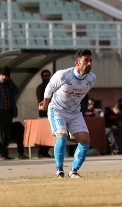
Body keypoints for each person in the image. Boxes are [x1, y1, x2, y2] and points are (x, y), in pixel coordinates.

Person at [38, 49, 96, 178]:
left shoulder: (92, 79)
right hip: (57, 110)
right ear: (77, 62)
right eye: (86, 60)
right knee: (62, 136)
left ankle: (73, 171)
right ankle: (59, 171)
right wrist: (45, 102)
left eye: (91, 60)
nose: (89, 63)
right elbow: (49, 88)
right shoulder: (63, 75)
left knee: (85, 140)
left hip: (75, 112)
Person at [0, 66, 19, 161]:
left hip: (8, 112)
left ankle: (5, 153)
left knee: (6, 133)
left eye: (6, 76)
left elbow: (16, 91)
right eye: (3, 75)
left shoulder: (9, 85)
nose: (4, 78)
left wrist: (10, 81)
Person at [35, 69, 53, 158]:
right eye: (45, 76)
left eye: (48, 75)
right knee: (44, 133)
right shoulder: (40, 88)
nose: (47, 77)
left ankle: (45, 151)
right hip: (43, 112)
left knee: (50, 132)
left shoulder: (52, 86)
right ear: (42, 77)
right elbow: (40, 101)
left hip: (52, 111)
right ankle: (41, 152)